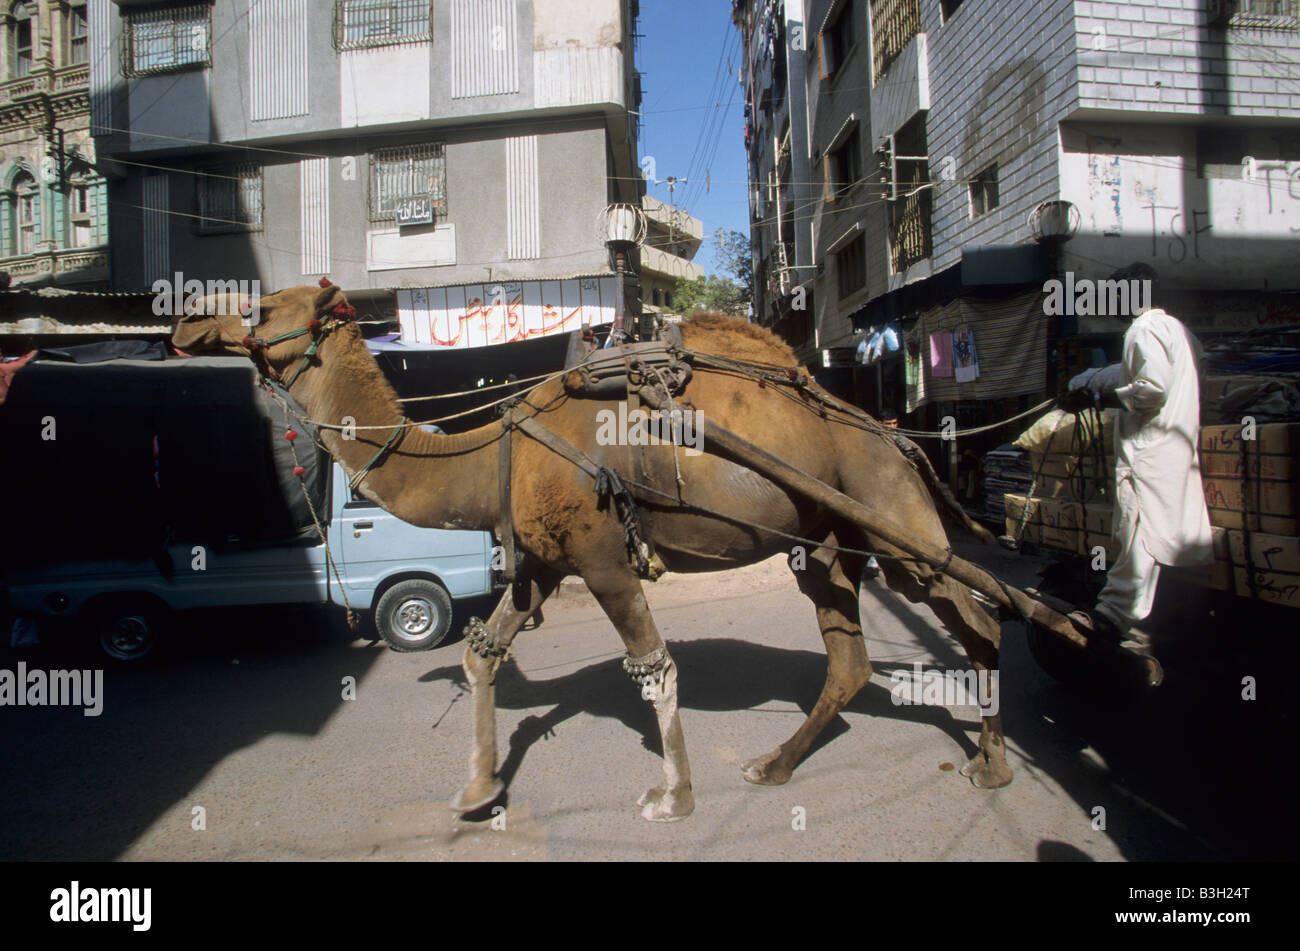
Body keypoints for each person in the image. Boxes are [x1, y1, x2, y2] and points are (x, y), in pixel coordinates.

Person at [1057, 267, 1214, 642]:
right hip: (1175, 447)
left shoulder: (1142, 330)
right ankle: (1147, 607)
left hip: (1149, 451)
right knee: (1156, 530)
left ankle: (1113, 612)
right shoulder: (1178, 330)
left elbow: (1150, 390)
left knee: (1137, 532)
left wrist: (1094, 397)